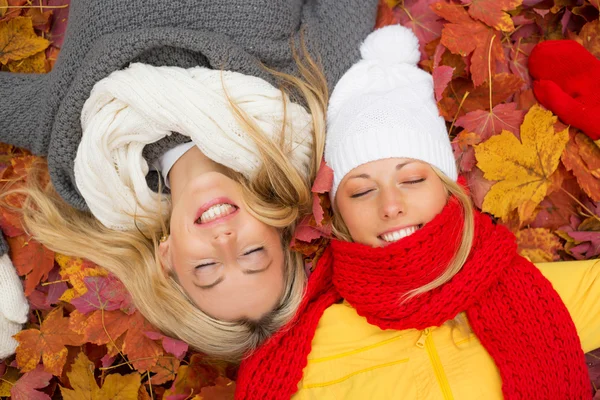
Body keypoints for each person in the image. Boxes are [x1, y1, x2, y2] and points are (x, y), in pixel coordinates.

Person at [235, 25, 600, 399]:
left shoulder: (541, 299)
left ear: (448, 189)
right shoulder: (306, 343)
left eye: (411, 180)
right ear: (338, 214)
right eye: (361, 190)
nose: (391, 206)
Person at [0, 0, 379, 360]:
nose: (224, 243)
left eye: (206, 269)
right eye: (252, 255)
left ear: (167, 257)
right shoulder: (299, 95)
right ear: (277, 229)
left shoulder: (81, 138)